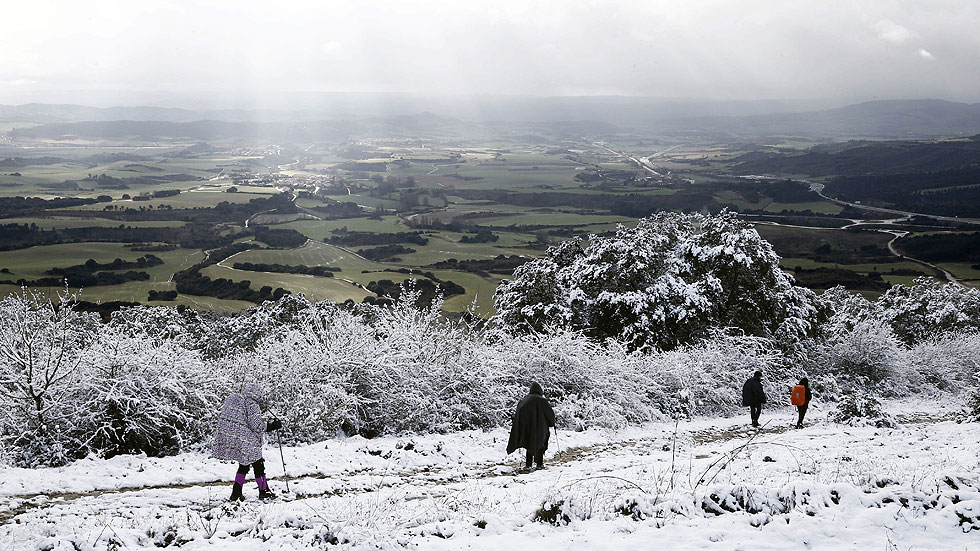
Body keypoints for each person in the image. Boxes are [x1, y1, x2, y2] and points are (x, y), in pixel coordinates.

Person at [212, 384, 283, 501]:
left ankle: (236, 493)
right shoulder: (252, 404)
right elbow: (256, 425)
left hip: (238, 438)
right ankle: (263, 491)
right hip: (247, 439)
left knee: (244, 465)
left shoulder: (240, 401)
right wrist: (272, 426)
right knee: (258, 464)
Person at [506, 382, 556, 472]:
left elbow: (518, 413)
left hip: (527, 428)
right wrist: (552, 423)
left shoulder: (525, 400)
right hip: (541, 428)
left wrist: (521, 426)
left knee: (529, 443)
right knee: (540, 444)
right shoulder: (543, 401)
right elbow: (550, 414)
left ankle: (528, 465)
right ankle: (539, 464)